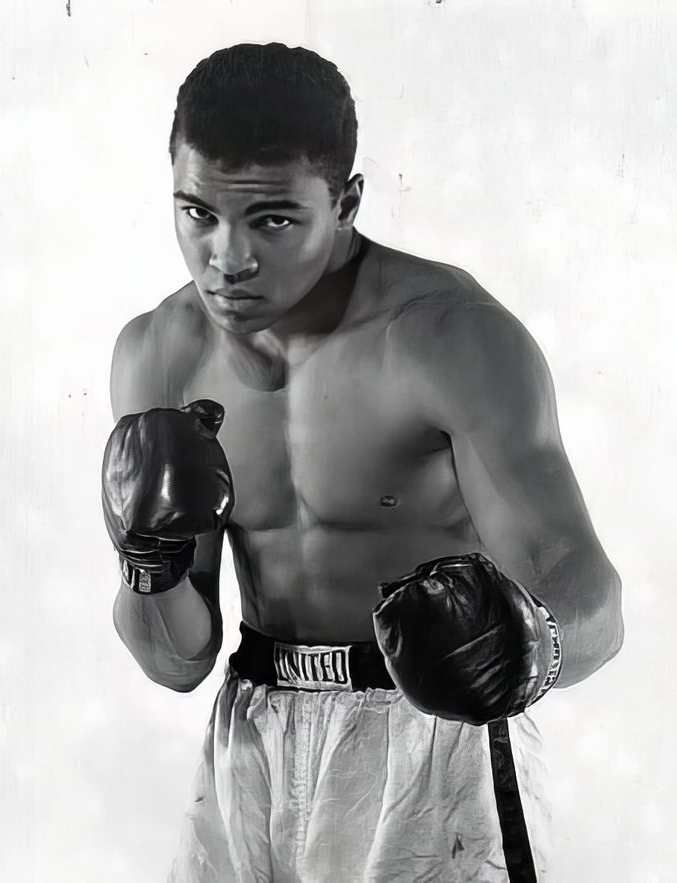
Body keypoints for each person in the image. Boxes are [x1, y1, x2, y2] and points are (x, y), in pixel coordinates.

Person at [101, 42, 624, 882]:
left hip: (433, 747)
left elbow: (594, 600)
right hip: (252, 739)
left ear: (346, 201)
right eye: (198, 213)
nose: (226, 259)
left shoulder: (448, 337)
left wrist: (533, 646)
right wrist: (147, 564)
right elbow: (177, 661)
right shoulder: (158, 357)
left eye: (271, 220)